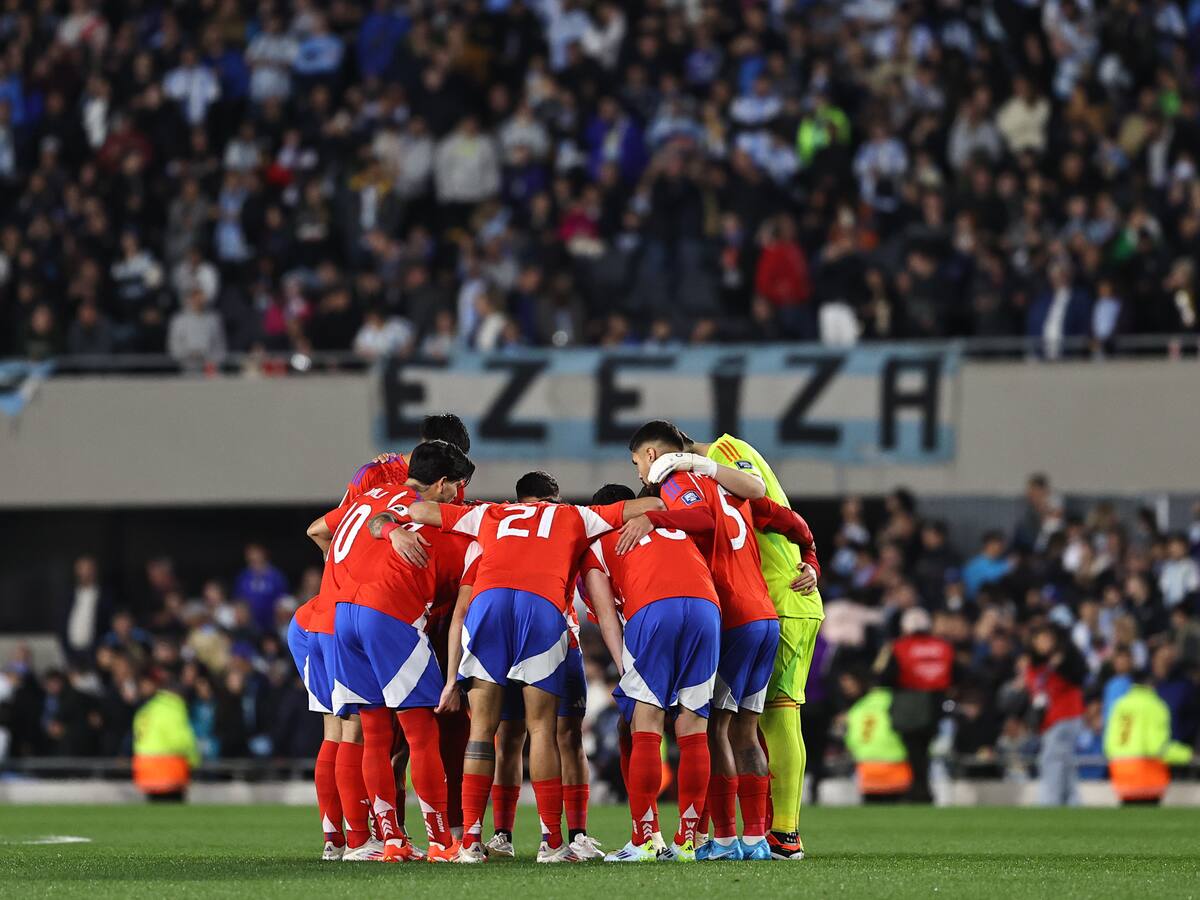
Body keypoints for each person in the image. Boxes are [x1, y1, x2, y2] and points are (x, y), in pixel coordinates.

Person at [410, 484, 665, 862]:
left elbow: (419, 511)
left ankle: (471, 843)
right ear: (553, 500)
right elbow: (655, 503)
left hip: (489, 604)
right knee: (544, 729)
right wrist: (644, 516)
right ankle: (551, 842)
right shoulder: (574, 515)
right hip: (540, 607)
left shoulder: (491, 514)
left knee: (483, 729)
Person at [666, 428, 822, 860]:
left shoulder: (725, 452)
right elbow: (781, 515)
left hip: (780, 599)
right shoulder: (718, 491)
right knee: (751, 725)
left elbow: (753, 490)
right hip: (775, 601)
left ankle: (777, 833)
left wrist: (699, 465)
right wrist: (811, 556)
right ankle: (765, 833)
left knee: (768, 717)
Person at [317, 440, 475, 863]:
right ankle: (442, 843)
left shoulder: (367, 497)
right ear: (441, 484)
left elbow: (322, 530)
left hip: (339, 616)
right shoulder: (431, 517)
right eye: (456, 486)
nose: (457, 494)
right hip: (387, 614)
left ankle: (389, 840)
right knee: (421, 731)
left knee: (373, 732)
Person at [628, 420, 778, 862]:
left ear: (652, 455)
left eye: (637, 463)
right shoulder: (726, 482)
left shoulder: (678, 481)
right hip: (766, 615)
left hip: (731, 613)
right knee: (748, 732)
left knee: (714, 729)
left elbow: (702, 520)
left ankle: (728, 838)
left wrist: (651, 514)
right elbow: (775, 506)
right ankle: (757, 839)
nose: (640, 474)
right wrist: (811, 560)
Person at [580, 483, 721, 862]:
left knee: (646, 722)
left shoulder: (598, 541)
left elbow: (607, 617)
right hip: (708, 610)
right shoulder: (674, 526)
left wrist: (625, 670)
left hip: (655, 610)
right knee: (693, 727)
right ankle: (687, 841)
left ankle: (644, 841)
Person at [485, 472, 605, 862]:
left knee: (516, 739)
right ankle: (562, 836)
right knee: (559, 736)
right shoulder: (564, 524)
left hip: (522, 637)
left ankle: (512, 834)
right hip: (557, 638)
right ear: (550, 499)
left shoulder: (503, 525)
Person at [876, 607, 954, 803]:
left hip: (909, 705)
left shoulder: (899, 647)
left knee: (914, 750)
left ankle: (920, 790)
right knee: (924, 750)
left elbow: (884, 677)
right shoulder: (943, 646)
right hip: (936, 704)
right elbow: (956, 675)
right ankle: (922, 789)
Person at [1104, 668, 1194, 805]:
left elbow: (1109, 744)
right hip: (1146, 776)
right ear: (1151, 683)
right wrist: (1188, 755)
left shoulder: (1120, 704)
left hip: (1120, 774)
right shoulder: (1154, 705)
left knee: (1127, 818)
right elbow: (1158, 747)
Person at [1026, 625, 1087, 806]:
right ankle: (1073, 803)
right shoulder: (1036, 665)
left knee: (1050, 759)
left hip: (1066, 716)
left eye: (1047, 638)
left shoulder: (1066, 657)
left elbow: (1079, 675)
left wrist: (1060, 662)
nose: (1044, 643)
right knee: (1065, 763)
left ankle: (1049, 803)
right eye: (1039, 639)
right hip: (1050, 720)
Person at [843, 672, 912, 803]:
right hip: (896, 764)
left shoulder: (857, 708)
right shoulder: (896, 703)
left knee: (871, 811)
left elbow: (851, 738)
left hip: (867, 766)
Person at [131, 671, 199, 802]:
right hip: (168, 769)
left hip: (144, 768)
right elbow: (183, 741)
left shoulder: (146, 709)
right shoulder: (173, 710)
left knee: (155, 810)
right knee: (173, 812)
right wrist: (194, 762)